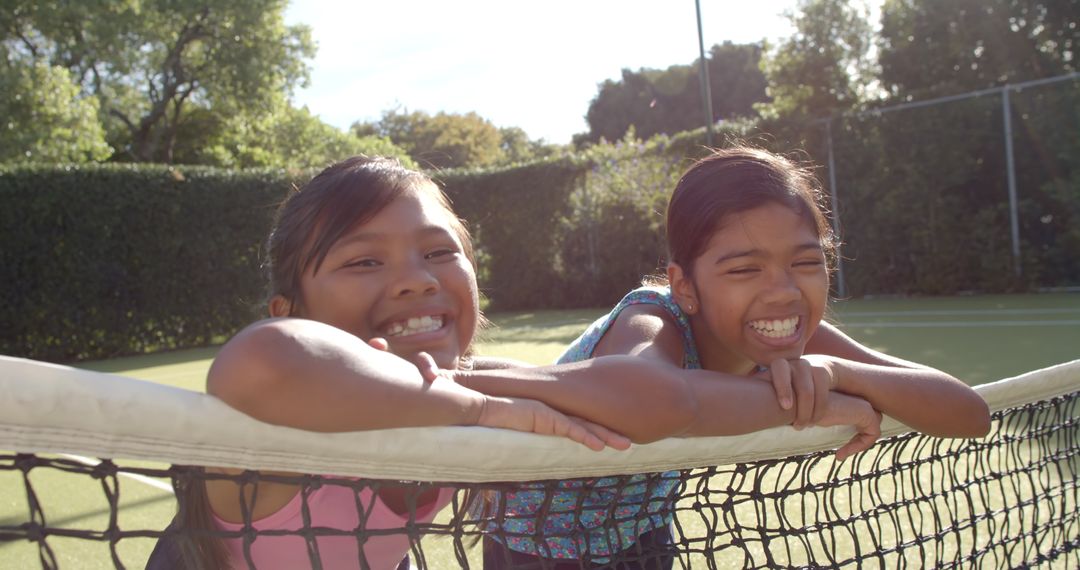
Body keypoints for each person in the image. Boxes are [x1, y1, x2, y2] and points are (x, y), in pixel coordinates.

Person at [146, 155, 882, 570]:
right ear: (294, 309)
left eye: (440, 253)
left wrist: (827, 388)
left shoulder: (477, 377)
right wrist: (476, 407)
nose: (415, 278)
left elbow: (655, 403)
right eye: (364, 260)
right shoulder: (272, 433)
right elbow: (261, 362)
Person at [450, 146, 991, 569]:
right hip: (541, 545)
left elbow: (968, 413)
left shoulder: (797, 334)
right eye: (744, 269)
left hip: (641, 528)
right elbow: (655, 401)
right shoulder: (652, 317)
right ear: (684, 286)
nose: (782, 292)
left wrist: (838, 374)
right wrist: (805, 403)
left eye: (806, 263)